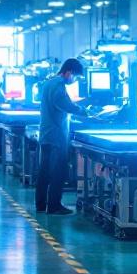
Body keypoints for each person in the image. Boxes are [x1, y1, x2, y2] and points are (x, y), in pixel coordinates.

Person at [36, 58, 88, 215]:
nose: (75, 80)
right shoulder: (58, 85)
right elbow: (64, 105)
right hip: (56, 135)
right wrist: (83, 111)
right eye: (76, 77)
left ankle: (41, 205)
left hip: (47, 134)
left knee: (44, 172)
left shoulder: (49, 83)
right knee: (58, 171)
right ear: (69, 72)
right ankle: (54, 206)